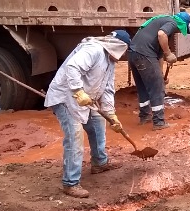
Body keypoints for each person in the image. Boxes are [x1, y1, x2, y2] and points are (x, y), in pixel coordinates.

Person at [44, 31, 131, 198]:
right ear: (119, 45)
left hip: (86, 100)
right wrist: (78, 91)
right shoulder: (94, 49)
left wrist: (111, 114)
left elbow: (107, 90)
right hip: (66, 98)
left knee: (98, 123)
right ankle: (70, 183)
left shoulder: (110, 62)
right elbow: (72, 66)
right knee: (75, 137)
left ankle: (100, 162)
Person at [128, 10, 190, 129]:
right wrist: (169, 53)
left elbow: (159, 56)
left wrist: (161, 75)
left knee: (143, 87)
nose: (178, 32)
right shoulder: (172, 23)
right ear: (183, 24)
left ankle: (145, 116)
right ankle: (159, 122)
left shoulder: (161, 20)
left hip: (133, 54)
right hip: (144, 54)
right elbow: (161, 34)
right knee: (157, 87)